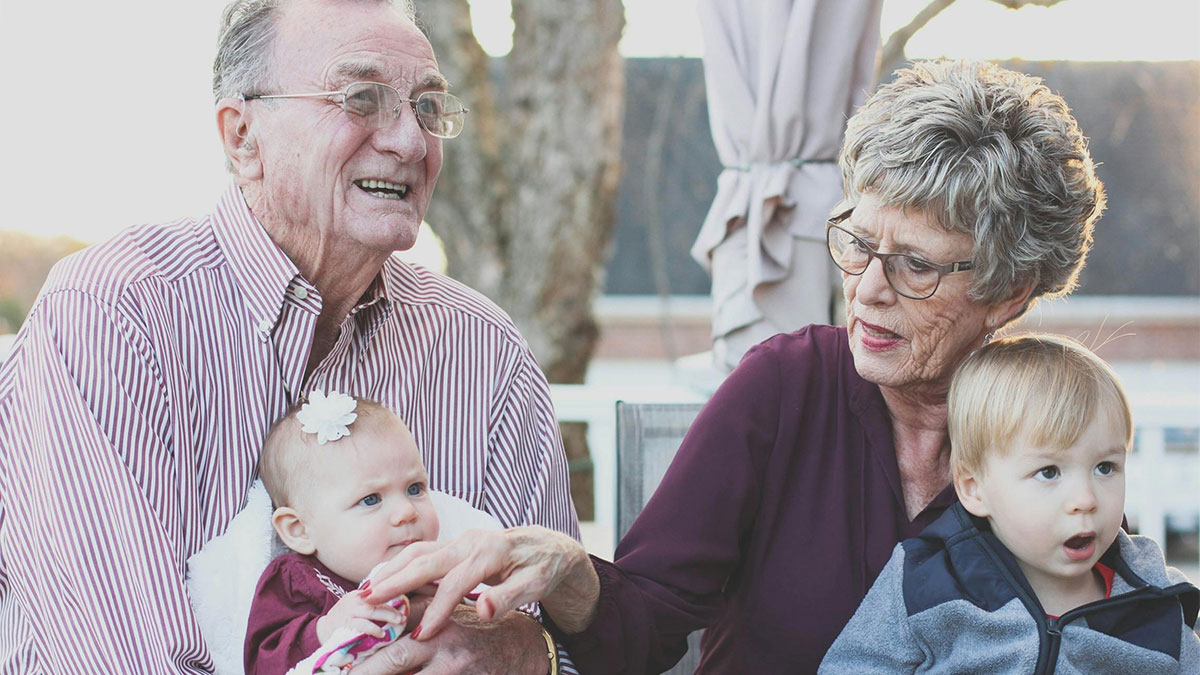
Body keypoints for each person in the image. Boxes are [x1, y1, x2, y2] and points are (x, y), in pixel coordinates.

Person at [363, 59, 1112, 672]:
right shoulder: (786, 387)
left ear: (1008, 291)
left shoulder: (1057, 430)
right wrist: (569, 567)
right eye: (856, 241)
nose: (867, 288)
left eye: (915, 264)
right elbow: (643, 629)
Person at [0, 0, 577, 671]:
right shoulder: (114, 316)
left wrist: (513, 649)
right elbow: (118, 659)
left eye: (426, 107)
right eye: (362, 98)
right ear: (242, 136)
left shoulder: (484, 350)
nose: (410, 142)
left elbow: (557, 636)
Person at [820, 334, 1200, 673]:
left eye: (1105, 467)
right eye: (1049, 472)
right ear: (974, 489)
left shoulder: (1157, 604)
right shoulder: (927, 581)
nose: (1085, 499)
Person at [245, 392, 438, 673]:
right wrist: (326, 629)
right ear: (299, 530)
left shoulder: (438, 569)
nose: (407, 511)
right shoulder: (297, 580)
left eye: (415, 488)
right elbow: (262, 661)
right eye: (371, 499)